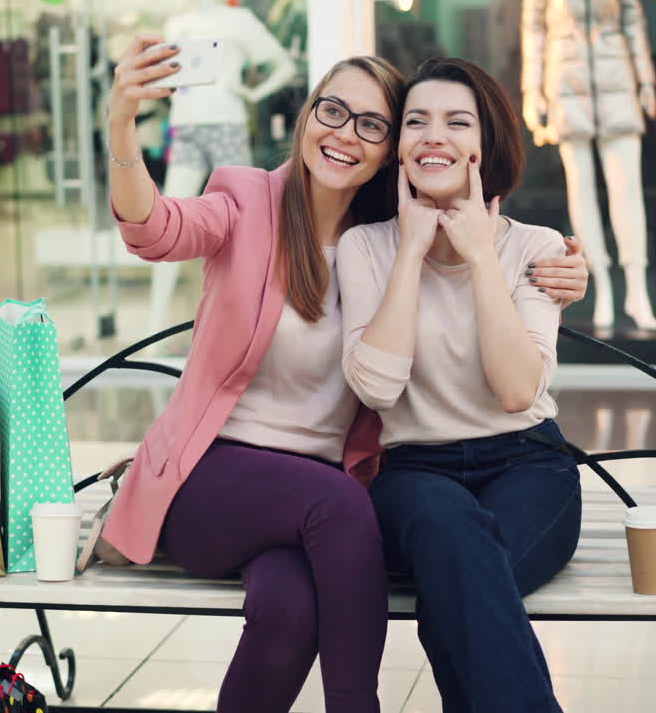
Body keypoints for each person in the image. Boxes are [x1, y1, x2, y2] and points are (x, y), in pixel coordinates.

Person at [105, 37, 589, 713]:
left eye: (371, 124)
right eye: (332, 111)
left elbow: (512, 369)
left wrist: (525, 263)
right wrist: (122, 123)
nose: (344, 134)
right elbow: (154, 229)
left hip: (325, 504)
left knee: (289, 611)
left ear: (387, 152)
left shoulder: (393, 233)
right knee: (360, 512)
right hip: (224, 477)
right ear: (306, 117)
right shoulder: (259, 205)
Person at [336, 57, 581, 713]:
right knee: (456, 545)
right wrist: (413, 252)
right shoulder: (364, 248)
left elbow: (515, 392)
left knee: (462, 585)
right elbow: (378, 391)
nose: (433, 136)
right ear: (397, 149)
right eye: (415, 122)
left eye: (456, 122)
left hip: (531, 462)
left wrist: (478, 255)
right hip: (415, 472)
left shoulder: (536, 246)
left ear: (486, 144)